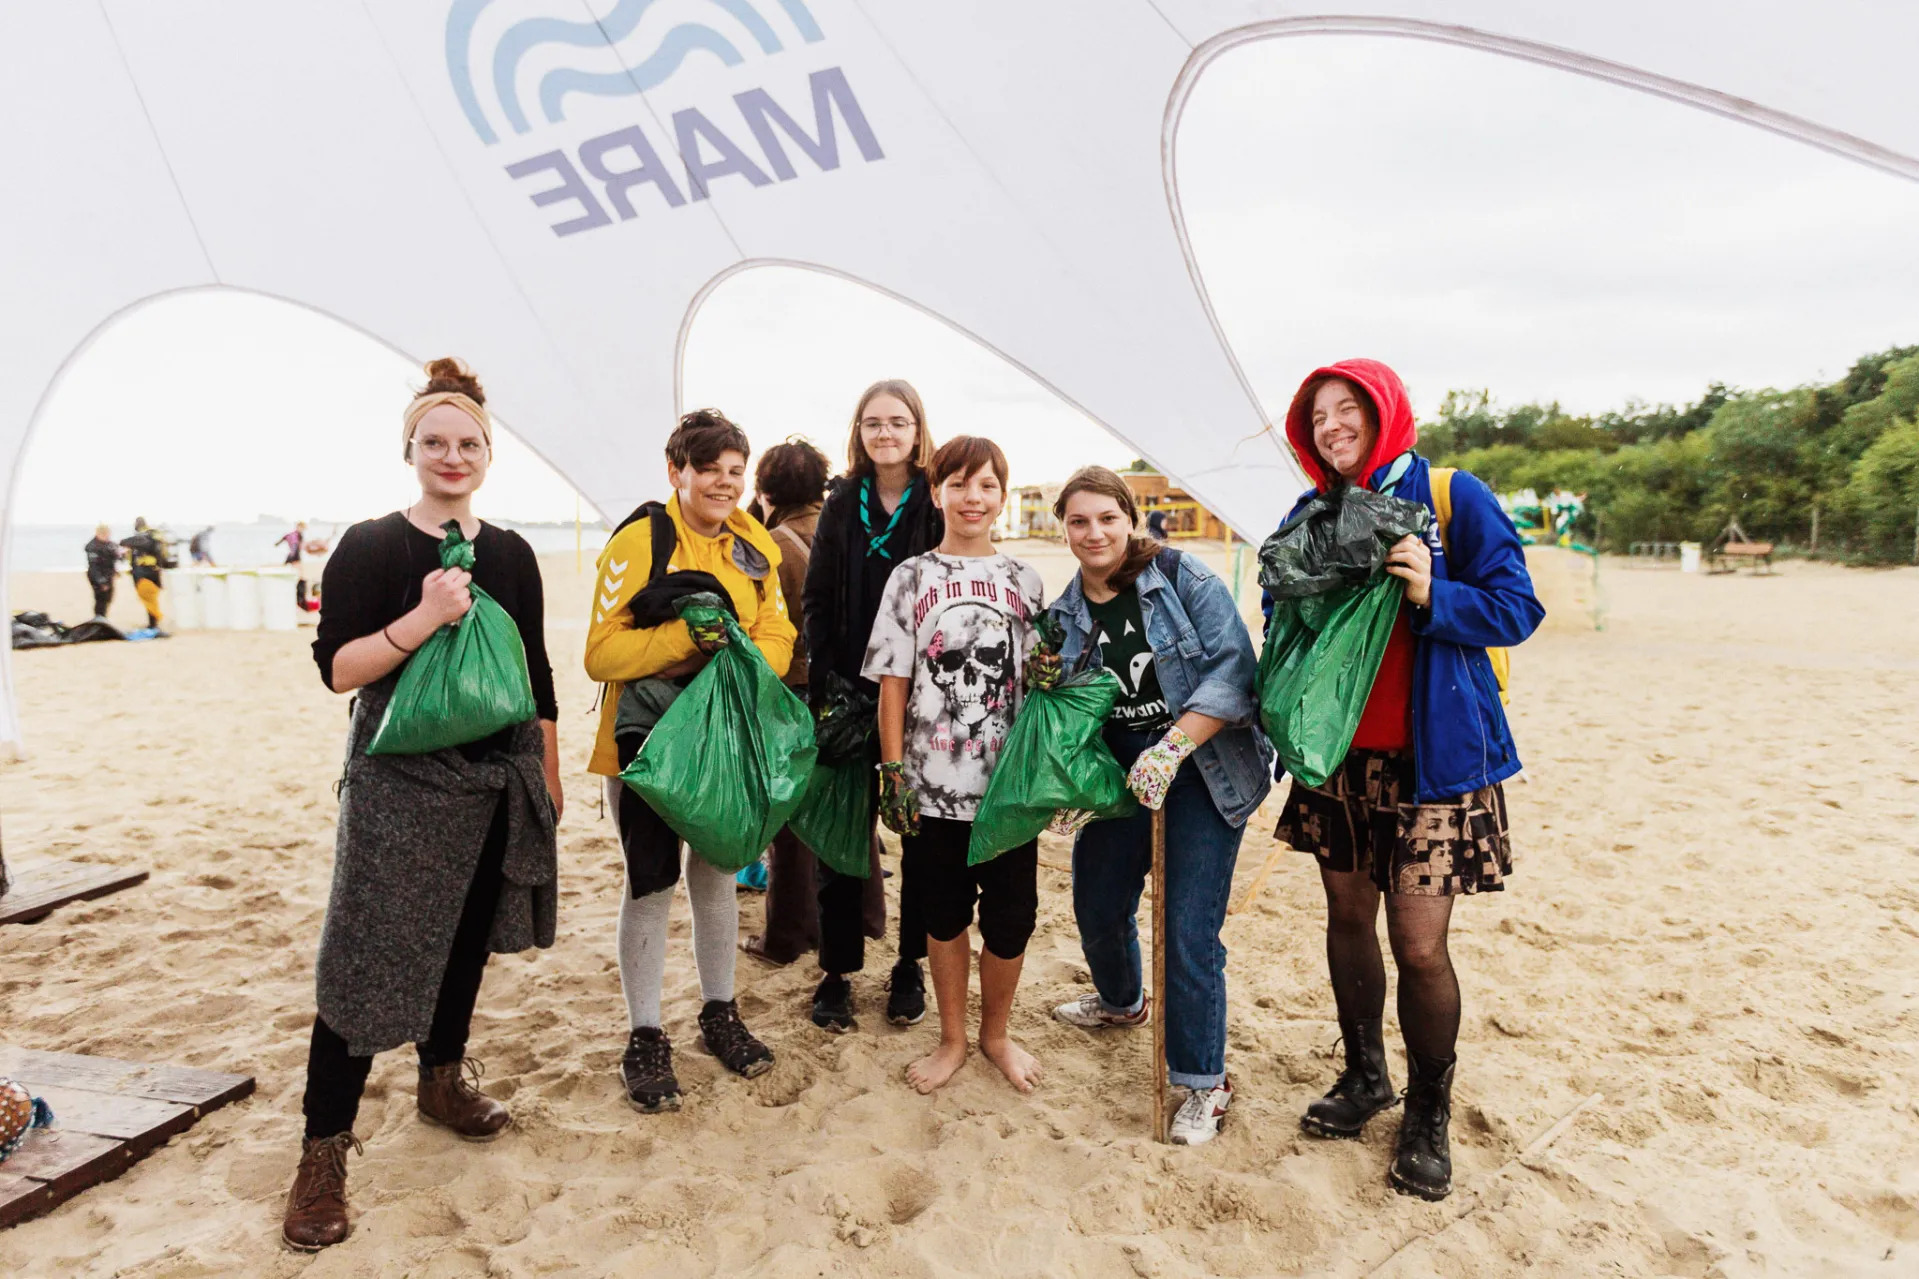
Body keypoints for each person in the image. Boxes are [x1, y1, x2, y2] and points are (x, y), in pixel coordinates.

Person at [282, 358, 562, 1251]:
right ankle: (321, 1154)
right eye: (434, 441)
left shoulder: (512, 553)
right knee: (365, 961)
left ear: (489, 454)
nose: (452, 454)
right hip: (399, 786)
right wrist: (424, 619)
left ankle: (440, 1080)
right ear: (410, 449)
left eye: (468, 442)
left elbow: (537, 677)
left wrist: (547, 778)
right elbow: (338, 670)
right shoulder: (371, 545)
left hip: (493, 783)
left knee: (463, 942)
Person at [1268, 359, 1542, 1201]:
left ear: (1383, 413)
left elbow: (1517, 606)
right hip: (1339, 756)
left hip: (1436, 763)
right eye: (1317, 416)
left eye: (1347, 409)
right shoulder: (1308, 512)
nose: (1331, 427)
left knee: (1419, 943)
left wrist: (1434, 591)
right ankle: (1363, 1074)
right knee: (1347, 914)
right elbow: (1281, 616)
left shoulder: (1454, 496)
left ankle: (1427, 1109)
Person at [1043, 466, 1272, 1145]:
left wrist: (1171, 747)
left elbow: (1234, 668)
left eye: (1106, 518)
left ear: (1128, 519)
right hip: (1121, 772)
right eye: (1079, 521)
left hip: (1200, 764)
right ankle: (1121, 1001)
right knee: (1097, 900)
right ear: (1064, 528)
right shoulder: (1064, 614)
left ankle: (1203, 1081)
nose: (1094, 532)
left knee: (1185, 928)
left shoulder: (1181, 578)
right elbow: (1066, 710)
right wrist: (1065, 780)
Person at [585, 409, 794, 1114]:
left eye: (735, 472)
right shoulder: (642, 539)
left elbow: (777, 631)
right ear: (676, 471)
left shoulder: (749, 538)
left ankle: (719, 1013)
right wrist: (685, 642)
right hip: (646, 743)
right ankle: (645, 1034)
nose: (723, 484)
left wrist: (737, 659)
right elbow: (600, 654)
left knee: (716, 873)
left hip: (722, 734)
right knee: (649, 882)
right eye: (709, 469)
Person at [863, 435, 1046, 1094]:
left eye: (987, 484)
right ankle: (951, 1037)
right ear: (935, 490)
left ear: (1003, 494)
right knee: (941, 914)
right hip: (931, 786)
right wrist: (891, 771)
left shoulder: (1024, 580)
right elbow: (892, 680)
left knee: (1011, 917)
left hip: (1006, 791)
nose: (973, 497)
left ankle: (995, 1033)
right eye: (959, 483)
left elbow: (1040, 685)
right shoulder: (911, 576)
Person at [798, 380, 945, 1030]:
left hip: (921, 699)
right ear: (857, 432)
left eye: (897, 421)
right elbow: (817, 599)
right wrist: (825, 682)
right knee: (838, 836)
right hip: (847, 693)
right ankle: (836, 970)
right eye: (872, 422)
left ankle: (909, 963)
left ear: (917, 429)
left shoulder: (933, 501)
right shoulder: (839, 502)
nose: (884, 433)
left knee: (917, 837)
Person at [739, 438, 884, 971]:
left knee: (790, 820)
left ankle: (788, 935)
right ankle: (868, 919)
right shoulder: (847, 527)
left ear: (767, 488)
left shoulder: (770, 543)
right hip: (855, 692)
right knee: (852, 810)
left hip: (795, 688)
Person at [118, 518, 174, 631]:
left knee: (149, 599)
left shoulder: (146, 537)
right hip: (151, 573)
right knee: (150, 599)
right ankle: (153, 623)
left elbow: (126, 541)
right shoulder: (154, 538)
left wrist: (124, 543)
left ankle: (155, 623)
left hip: (146, 574)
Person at [83, 525, 120, 619]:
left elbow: (116, 556)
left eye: (108, 534)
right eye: (104, 535)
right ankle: (99, 618)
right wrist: (101, 581)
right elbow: (94, 567)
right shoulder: (92, 546)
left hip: (108, 574)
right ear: (98, 534)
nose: (107, 537)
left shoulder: (109, 544)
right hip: (97, 576)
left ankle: (103, 618)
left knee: (108, 598)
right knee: (100, 599)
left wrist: (120, 554)